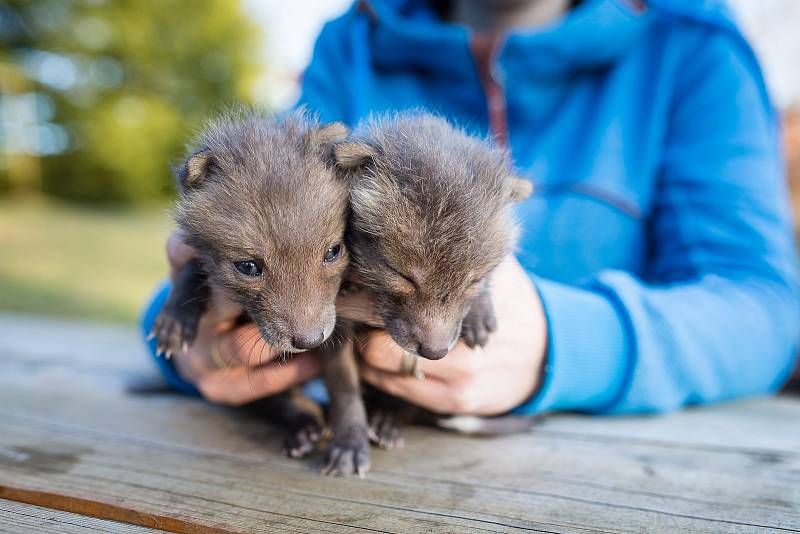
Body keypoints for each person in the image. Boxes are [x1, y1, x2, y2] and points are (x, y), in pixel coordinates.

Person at [141, 0, 800, 415]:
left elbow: (768, 309)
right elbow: (259, 229)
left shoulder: (693, 46)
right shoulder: (353, 40)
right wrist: (192, 332)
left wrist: (562, 343)